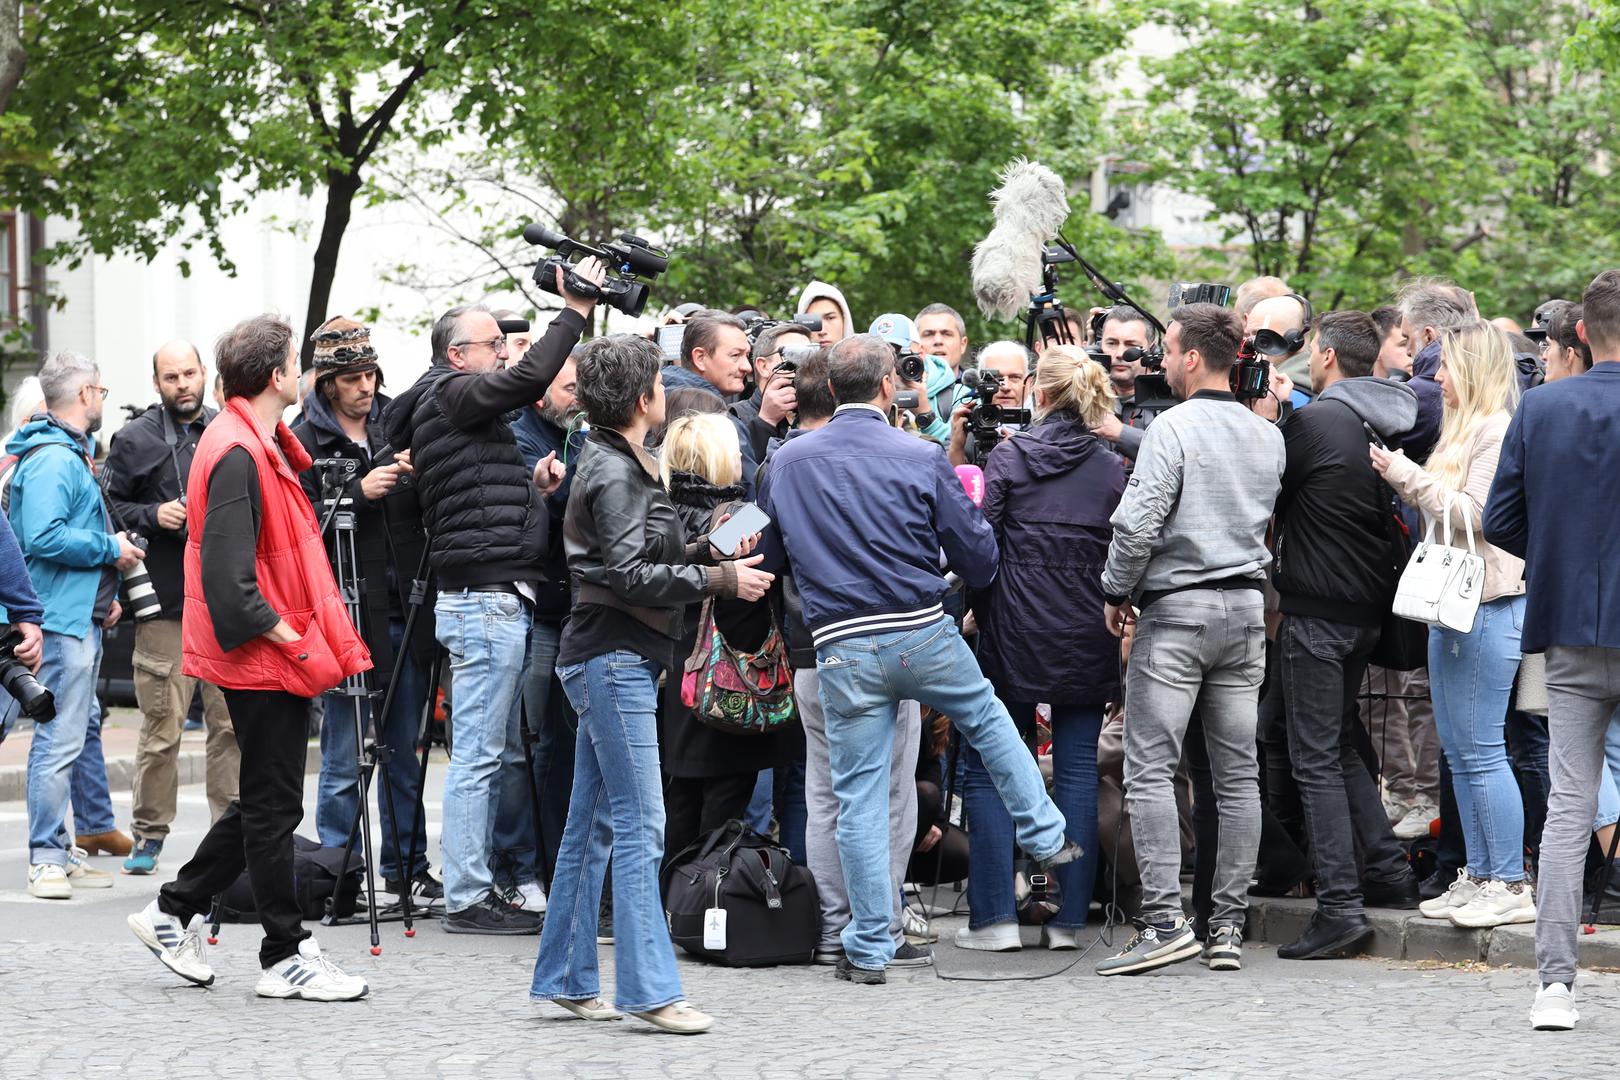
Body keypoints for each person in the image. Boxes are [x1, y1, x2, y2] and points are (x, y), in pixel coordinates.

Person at [760, 333, 1080, 984]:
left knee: (856, 798)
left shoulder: (786, 462)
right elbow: (978, 557)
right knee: (989, 722)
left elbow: (767, 558)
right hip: (919, 630)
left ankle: (868, 947)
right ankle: (1046, 835)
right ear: (888, 387)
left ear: (827, 390)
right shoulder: (919, 453)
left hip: (840, 643)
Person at [530, 334, 771, 1035]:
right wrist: (721, 576)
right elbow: (631, 576)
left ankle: (570, 979)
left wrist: (709, 548)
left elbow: (633, 560)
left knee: (596, 823)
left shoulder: (617, 460)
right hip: (613, 658)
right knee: (641, 824)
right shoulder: (614, 469)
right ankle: (649, 992)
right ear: (644, 400)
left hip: (611, 654)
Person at [127, 313, 372, 1001]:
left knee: (264, 800)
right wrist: (293, 639)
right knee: (273, 808)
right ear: (274, 377)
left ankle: (172, 911)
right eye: (295, 363)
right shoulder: (236, 450)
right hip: (262, 654)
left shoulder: (248, 440)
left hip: (261, 654)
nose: (302, 373)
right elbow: (231, 586)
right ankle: (284, 953)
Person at [382, 262, 601, 935]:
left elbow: (474, 495)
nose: (503, 352)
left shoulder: (452, 408)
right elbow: (532, 378)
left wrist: (530, 483)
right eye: (492, 345)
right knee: (478, 753)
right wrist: (573, 311)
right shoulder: (452, 394)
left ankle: (476, 885)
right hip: (484, 600)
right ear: (456, 356)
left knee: (479, 750)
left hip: (485, 596)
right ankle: (470, 893)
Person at [1095, 303, 1284, 976]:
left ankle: (1165, 922)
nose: (1163, 362)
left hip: (1177, 611)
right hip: (1244, 610)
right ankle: (1227, 927)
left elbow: (1138, 523)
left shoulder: (1172, 428)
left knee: (1150, 767)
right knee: (1237, 776)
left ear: (1195, 357)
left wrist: (1116, 593)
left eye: (1169, 351)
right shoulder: (1268, 435)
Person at [1485, 268, 1620, 1031]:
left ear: (1580, 334)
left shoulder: (1541, 406)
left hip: (1568, 624)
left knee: (1569, 806)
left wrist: (1560, 554)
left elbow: (1501, 520)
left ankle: (1556, 986)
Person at [957, 344, 1124, 952]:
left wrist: (978, 603)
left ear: (1042, 394)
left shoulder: (1008, 457)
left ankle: (996, 918)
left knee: (995, 765)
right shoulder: (1110, 467)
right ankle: (1068, 922)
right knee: (1078, 770)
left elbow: (980, 543)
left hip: (1013, 628)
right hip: (1087, 629)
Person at [1270, 311, 1422, 960]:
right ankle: (1388, 874)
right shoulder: (1379, 418)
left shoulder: (1317, 421)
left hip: (1318, 614)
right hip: (1366, 614)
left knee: (1313, 757)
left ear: (1325, 357)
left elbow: (1260, 485)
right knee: (1335, 743)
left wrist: (1270, 417)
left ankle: (1338, 906)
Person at [1374, 320, 1529, 930]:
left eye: (1446, 367)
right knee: (1462, 754)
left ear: (1475, 370)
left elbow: (1480, 516)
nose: (1436, 377)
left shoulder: (1496, 429)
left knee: (1484, 751)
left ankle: (1509, 882)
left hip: (1487, 604)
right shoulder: (1468, 428)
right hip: (1457, 605)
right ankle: (1482, 873)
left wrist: (1404, 475)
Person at [294, 316, 439, 903]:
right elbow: (297, 526)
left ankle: (407, 870)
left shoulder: (394, 423)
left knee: (405, 749)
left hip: (403, 605)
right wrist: (357, 491)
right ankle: (339, 873)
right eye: (352, 376)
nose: (365, 385)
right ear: (328, 382)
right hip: (344, 612)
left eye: (371, 373)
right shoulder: (301, 438)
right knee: (344, 752)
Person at [10, 350, 145, 896]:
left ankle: (58, 851)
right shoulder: (56, 459)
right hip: (58, 621)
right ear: (86, 393)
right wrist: (108, 550)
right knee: (56, 741)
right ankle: (46, 855)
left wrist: (101, 596)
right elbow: (42, 538)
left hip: (71, 614)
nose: (101, 401)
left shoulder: (61, 453)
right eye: (101, 392)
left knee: (63, 738)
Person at [102, 339, 237, 876]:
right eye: (171, 377)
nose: (183, 384)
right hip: (163, 607)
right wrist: (154, 514)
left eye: (190, 374)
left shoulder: (227, 431)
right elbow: (108, 509)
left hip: (225, 605)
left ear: (205, 374)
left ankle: (228, 838)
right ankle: (149, 835)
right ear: (155, 384)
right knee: (163, 730)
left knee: (230, 727)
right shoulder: (132, 440)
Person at [658, 413, 797, 859]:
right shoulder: (742, 519)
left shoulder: (660, 512)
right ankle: (704, 913)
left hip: (674, 676)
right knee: (721, 817)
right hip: (727, 681)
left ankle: (671, 906)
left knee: (679, 803)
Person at [503, 344, 585, 911]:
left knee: (560, 745)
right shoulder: (522, 439)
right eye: (568, 388)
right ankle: (520, 867)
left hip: (571, 609)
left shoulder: (578, 437)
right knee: (526, 745)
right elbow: (564, 513)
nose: (578, 398)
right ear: (539, 392)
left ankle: (556, 866)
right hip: (540, 610)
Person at [1397, 281, 1475, 460]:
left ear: (1428, 335)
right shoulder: (1498, 377)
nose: (1407, 351)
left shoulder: (1419, 393)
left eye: (1407, 338)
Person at [729, 321, 811, 463]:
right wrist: (766, 421)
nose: (805, 364)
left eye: (810, 355)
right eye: (793, 355)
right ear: (763, 366)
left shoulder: (819, 412)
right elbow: (740, 476)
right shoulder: (734, 416)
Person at [1087, 305, 1161, 459]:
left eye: (1131, 345)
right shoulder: (1085, 396)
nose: (1120, 354)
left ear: (1152, 350)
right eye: (1111, 343)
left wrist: (1121, 434)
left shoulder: (1170, 398)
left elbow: (1174, 454)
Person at [795, 280, 854, 346]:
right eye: (812, 321)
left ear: (845, 320)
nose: (822, 331)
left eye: (830, 318)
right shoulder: (785, 355)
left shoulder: (866, 355)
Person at [1371, 307, 1414, 380]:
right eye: (1403, 344)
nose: (1411, 352)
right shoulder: (1352, 388)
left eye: (1413, 343)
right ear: (1377, 348)